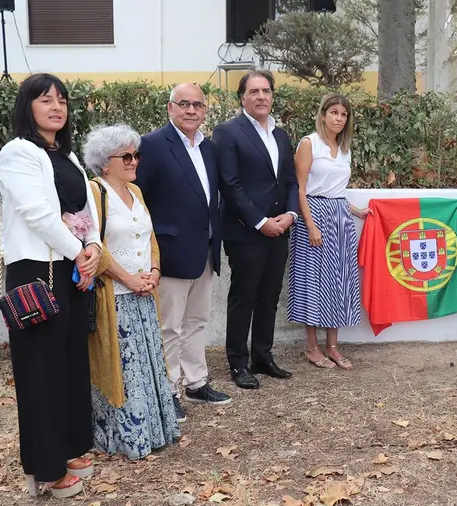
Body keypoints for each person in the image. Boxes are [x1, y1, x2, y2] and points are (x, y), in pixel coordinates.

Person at [0, 73, 101, 498]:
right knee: (40, 370)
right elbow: (39, 214)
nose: (56, 107)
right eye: (45, 100)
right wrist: (79, 250)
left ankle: (72, 445)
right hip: (37, 272)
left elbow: (85, 205)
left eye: (61, 100)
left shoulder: (67, 155)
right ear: (28, 107)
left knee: (72, 360)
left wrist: (92, 244)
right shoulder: (18, 152)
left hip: (72, 268)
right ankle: (47, 468)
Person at [82, 124, 181, 460]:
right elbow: (95, 248)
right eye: (126, 155)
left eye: (136, 154)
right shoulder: (94, 193)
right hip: (116, 298)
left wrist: (153, 271)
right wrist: (128, 279)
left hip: (142, 294)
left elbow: (149, 237)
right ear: (104, 161)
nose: (134, 160)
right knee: (124, 371)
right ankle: (127, 439)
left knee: (147, 365)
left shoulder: (136, 192)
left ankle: (155, 431)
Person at [135, 83, 231, 420]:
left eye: (198, 105)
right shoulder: (151, 145)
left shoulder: (208, 148)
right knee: (170, 327)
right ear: (170, 108)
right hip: (170, 252)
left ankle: (196, 382)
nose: (191, 110)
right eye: (184, 104)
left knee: (197, 321)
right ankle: (168, 390)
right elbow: (137, 198)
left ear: (205, 111)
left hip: (205, 249)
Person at [213, 70, 300, 389]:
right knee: (244, 296)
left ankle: (262, 356)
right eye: (254, 91)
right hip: (246, 231)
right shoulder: (227, 132)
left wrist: (290, 214)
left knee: (269, 296)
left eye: (266, 91)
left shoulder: (280, 134)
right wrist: (261, 222)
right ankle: (238, 363)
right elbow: (230, 185)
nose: (261, 96)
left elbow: (290, 181)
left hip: (281, 228)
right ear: (242, 98)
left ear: (272, 96)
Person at [289, 93, 370, 369]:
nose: (338, 118)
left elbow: (336, 191)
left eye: (343, 114)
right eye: (334, 112)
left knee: (338, 282)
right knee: (315, 282)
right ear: (323, 115)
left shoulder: (344, 149)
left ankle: (333, 346)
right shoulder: (309, 144)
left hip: (340, 218)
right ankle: (312, 348)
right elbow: (300, 189)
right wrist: (310, 224)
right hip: (313, 216)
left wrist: (356, 211)